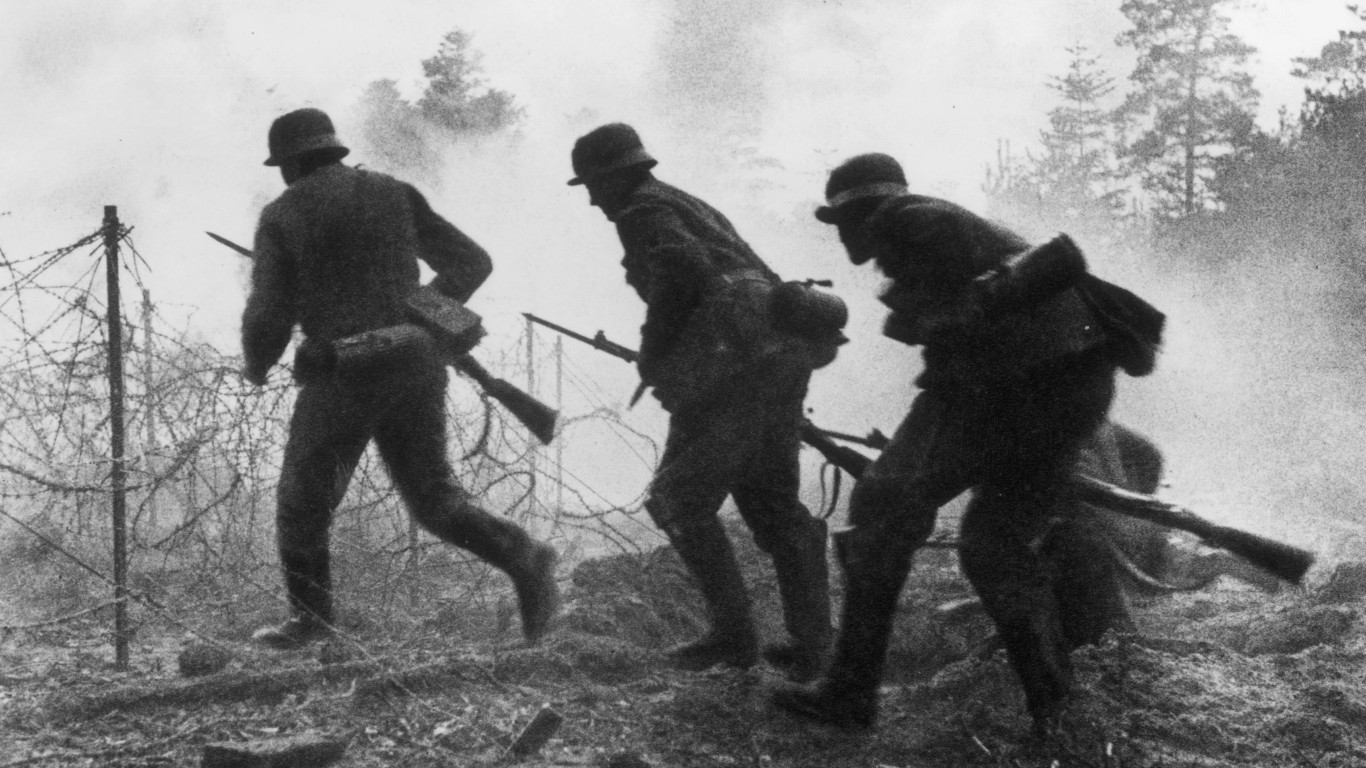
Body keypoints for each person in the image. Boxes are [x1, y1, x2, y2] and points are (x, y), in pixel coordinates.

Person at [772, 153, 1163, 732]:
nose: (846, 238)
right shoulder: (939, 225)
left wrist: (928, 320)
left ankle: (851, 694)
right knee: (994, 547)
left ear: (857, 211)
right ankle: (1058, 714)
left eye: (841, 222)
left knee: (879, 512)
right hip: (1070, 388)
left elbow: (965, 312)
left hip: (1012, 388)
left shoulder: (906, 218)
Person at [241, 107, 558, 649]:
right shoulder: (394, 192)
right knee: (435, 500)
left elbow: (269, 310)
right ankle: (524, 556)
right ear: (333, 148)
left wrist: (258, 363)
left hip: (341, 375)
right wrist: (417, 318)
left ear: (291, 163)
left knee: (302, 500)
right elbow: (472, 262)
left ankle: (311, 622)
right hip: (416, 365)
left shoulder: (284, 214)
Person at [568, 123, 839, 681]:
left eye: (593, 185)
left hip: (732, 368)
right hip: (776, 357)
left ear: (613, 177)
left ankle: (734, 637)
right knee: (772, 506)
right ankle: (815, 645)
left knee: (677, 500)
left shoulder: (640, 211)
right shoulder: (687, 202)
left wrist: (653, 350)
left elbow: (681, 272)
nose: (593, 200)